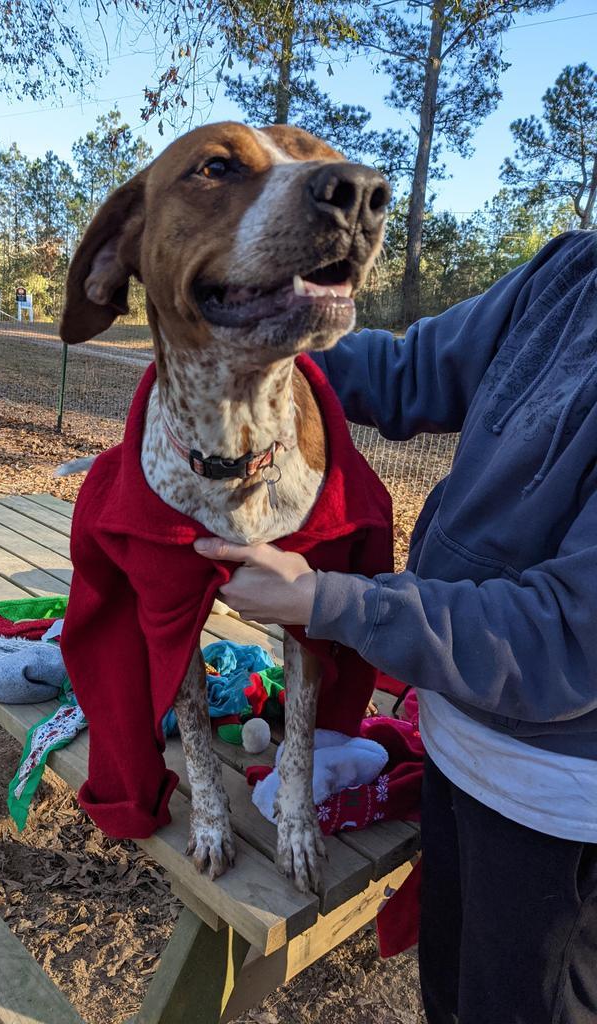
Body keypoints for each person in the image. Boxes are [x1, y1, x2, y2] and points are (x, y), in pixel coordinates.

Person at [194, 229, 597, 1024]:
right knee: (447, 1000)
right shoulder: (572, 269)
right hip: (459, 739)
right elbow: (410, 371)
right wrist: (252, 343)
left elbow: (567, 637)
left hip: (559, 804)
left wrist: (329, 603)